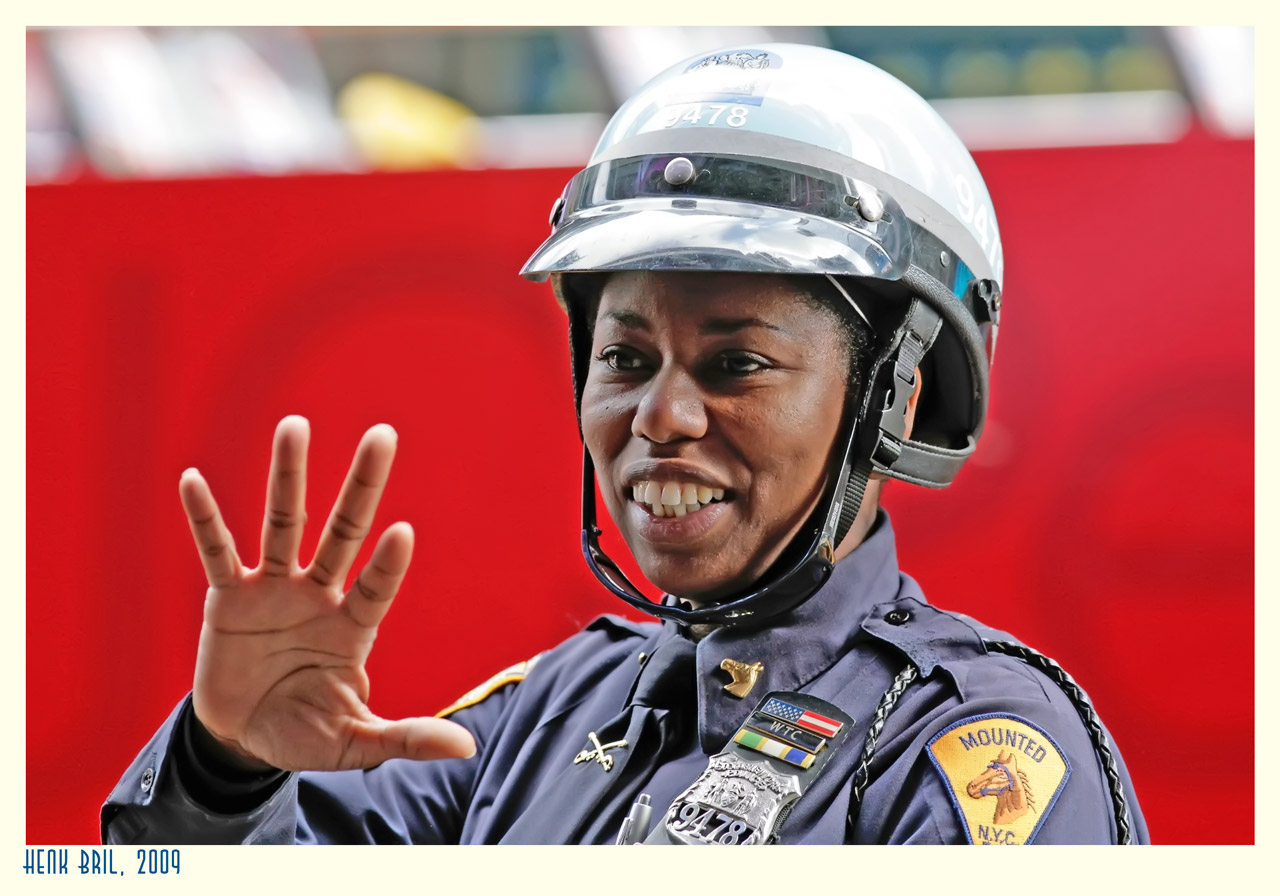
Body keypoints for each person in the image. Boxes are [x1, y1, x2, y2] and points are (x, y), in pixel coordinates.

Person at [101, 43, 1147, 846]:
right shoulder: (539, 714)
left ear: (894, 398)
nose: (659, 417)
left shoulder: (981, 748)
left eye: (735, 364)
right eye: (626, 358)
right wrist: (224, 763)